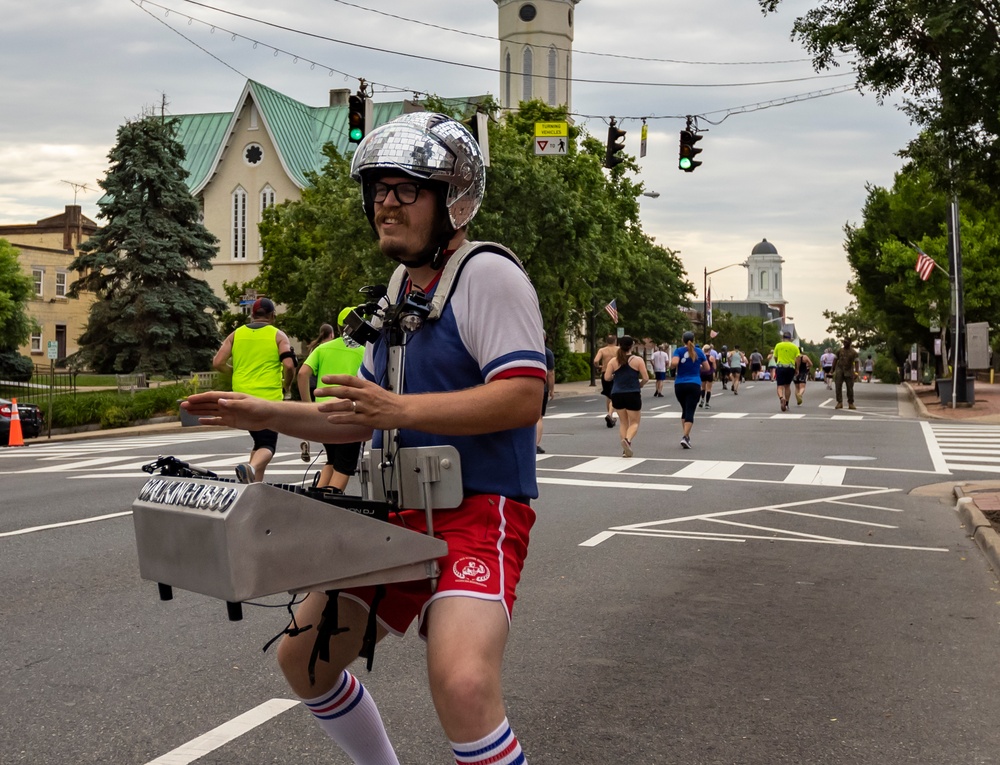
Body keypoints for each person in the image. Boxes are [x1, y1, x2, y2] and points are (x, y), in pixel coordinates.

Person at [185, 112, 545, 765]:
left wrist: (396, 405)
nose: (385, 201)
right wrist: (256, 409)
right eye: (378, 188)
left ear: (453, 198)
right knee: (305, 660)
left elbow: (525, 394)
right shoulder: (399, 290)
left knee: (463, 683)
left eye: (406, 187)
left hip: (477, 512)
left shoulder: (487, 274)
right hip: (398, 514)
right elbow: (358, 416)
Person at [212, 297, 296, 483]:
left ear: (252, 315)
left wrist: (233, 371)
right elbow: (289, 366)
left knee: (259, 441)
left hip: (240, 398)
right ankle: (250, 468)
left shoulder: (235, 335)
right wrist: (287, 385)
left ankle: (254, 484)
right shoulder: (278, 335)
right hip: (268, 398)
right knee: (268, 444)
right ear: (272, 315)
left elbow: (218, 362)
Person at [297, 308, 366, 491]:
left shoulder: (323, 348)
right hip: (349, 413)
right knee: (344, 466)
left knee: (332, 460)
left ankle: (316, 499)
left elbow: (303, 373)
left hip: (323, 413)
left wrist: (308, 406)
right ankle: (331, 505)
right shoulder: (364, 352)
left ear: (338, 326)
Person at [603, 334, 649, 457]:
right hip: (632, 393)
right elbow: (646, 378)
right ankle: (627, 441)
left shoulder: (613, 361)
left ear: (619, 345)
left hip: (617, 394)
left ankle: (625, 450)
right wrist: (641, 385)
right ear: (632, 346)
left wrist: (614, 376)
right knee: (634, 422)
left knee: (623, 422)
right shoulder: (637, 360)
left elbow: (607, 377)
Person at [671, 331, 709, 449]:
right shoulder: (699, 352)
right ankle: (685, 437)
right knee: (690, 411)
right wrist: (698, 366)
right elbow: (707, 367)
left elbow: (674, 363)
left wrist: (672, 366)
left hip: (680, 384)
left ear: (682, 340)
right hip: (694, 383)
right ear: (693, 339)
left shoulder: (678, 351)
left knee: (685, 409)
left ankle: (686, 436)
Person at [593, 334, 619, 428]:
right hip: (616, 373)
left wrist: (599, 366)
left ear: (606, 341)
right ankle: (610, 415)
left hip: (605, 373)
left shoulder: (602, 350)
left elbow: (596, 360)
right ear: (615, 341)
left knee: (608, 395)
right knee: (614, 395)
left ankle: (610, 415)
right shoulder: (618, 350)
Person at [772, 330, 801, 412]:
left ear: (783, 338)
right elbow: (798, 358)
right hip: (790, 367)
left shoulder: (778, 345)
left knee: (780, 386)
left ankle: (781, 398)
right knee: (787, 386)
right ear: (791, 338)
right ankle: (787, 403)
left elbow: (775, 357)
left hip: (780, 366)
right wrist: (797, 368)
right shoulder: (794, 347)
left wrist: (777, 362)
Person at [536, 332, 556, 454]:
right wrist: (551, 389)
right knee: (539, 418)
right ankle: (536, 444)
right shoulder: (547, 353)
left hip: (526, 389)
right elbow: (550, 373)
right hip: (541, 388)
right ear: (544, 338)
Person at [834, 338, 861, 410]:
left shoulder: (853, 352)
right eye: (844, 342)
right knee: (838, 386)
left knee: (850, 388)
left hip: (849, 371)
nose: (844, 343)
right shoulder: (839, 351)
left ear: (850, 343)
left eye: (846, 342)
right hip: (840, 370)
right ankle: (839, 402)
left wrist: (856, 372)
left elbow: (857, 362)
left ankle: (850, 403)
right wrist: (832, 370)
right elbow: (835, 360)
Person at [699, 344, 715, 409]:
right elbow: (714, 366)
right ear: (709, 350)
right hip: (709, 373)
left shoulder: (702, 357)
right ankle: (707, 403)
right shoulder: (711, 357)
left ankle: (702, 399)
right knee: (709, 389)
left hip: (702, 373)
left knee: (703, 387)